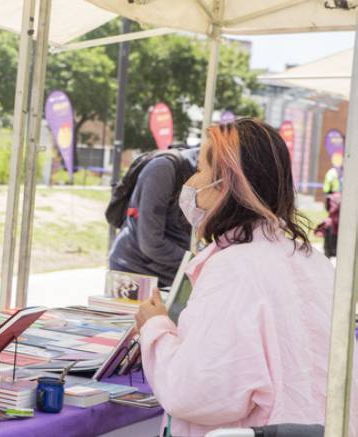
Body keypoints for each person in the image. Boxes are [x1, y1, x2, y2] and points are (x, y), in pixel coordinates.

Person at [134, 118, 358, 436]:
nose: (192, 183)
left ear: (223, 185)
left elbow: (197, 392)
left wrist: (155, 327)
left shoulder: (232, 271)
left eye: (200, 171)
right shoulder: (314, 261)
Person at [108, 146, 199, 288]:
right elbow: (151, 243)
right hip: (135, 271)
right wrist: (199, 261)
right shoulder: (163, 169)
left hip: (170, 273)